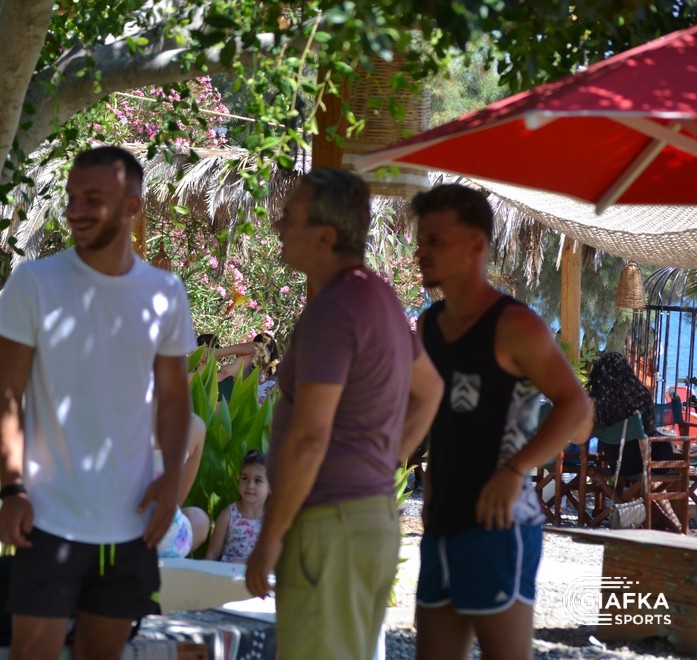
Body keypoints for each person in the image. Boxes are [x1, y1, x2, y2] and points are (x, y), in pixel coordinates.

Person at [0, 146, 196, 660]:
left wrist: (172, 477)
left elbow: (175, 396)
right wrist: (12, 489)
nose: (76, 210)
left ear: (132, 206)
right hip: (47, 519)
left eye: (93, 199)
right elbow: (7, 391)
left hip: (132, 524)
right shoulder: (35, 283)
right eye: (72, 197)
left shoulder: (165, 293)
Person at [244, 168, 444, 659]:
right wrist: (385, 461)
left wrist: (270, 537)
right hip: (367, 518)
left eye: (290, 218)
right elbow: (431, 390)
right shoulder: (378, 295)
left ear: (326, 236)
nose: (278, 226)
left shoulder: (333, 310)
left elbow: (311, 435)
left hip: (329, 526)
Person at [411, 183, 593, 660]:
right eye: (421, 239)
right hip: (442, 519)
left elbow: (577, 408)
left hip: (499, 523)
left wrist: (515, 470)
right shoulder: (429, 325)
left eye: (435, 240)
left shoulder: (515, 325)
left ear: (476, 246)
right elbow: (435, 417)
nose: (421, 251)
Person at [587, 351, 675, 478]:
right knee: (666, 445)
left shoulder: (597, 405)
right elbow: (650, 430)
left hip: (617, 464)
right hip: (647, 464)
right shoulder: (640, 396)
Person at [156, 412, 210, 557]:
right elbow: (178, 499)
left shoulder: (112, 418)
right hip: (163, 544)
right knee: (201, 520)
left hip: (110, 537)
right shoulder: (195, 425)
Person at [205, 449, 269, 563]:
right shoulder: (228, 515)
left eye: (258, 480)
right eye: (245, 478)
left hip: (257, 573)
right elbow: (212, 554)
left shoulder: (272, 520)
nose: (250, 485)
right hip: (227, 572)